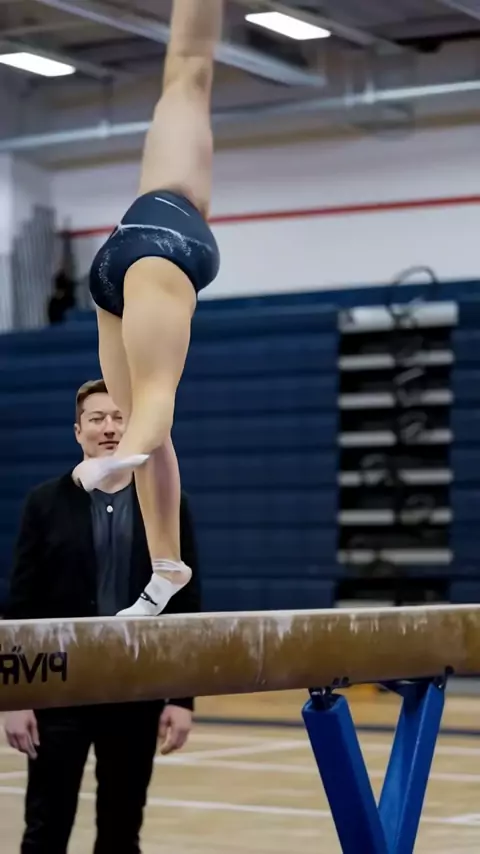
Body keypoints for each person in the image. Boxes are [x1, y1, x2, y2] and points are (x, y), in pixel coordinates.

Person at [3, 379, 200, 854]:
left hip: (133, 688)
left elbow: (186, 604)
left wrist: (182, 699)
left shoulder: (166, 500)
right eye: (97, 419)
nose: (109, 428)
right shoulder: (45, 503)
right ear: (79, 431)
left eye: (120, 418)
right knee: (46, 828)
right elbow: (21, 603)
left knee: (121, 829)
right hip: (60, 687)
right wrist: (13, 697)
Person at [71, 0, 222, 619]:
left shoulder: (172, 168)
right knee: (149, 409)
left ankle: (159, 550)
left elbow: (188, 52)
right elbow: (191, 51)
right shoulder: (181, 164)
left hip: (129, 254)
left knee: (146, 416)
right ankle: (157, 547)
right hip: (155, 242)